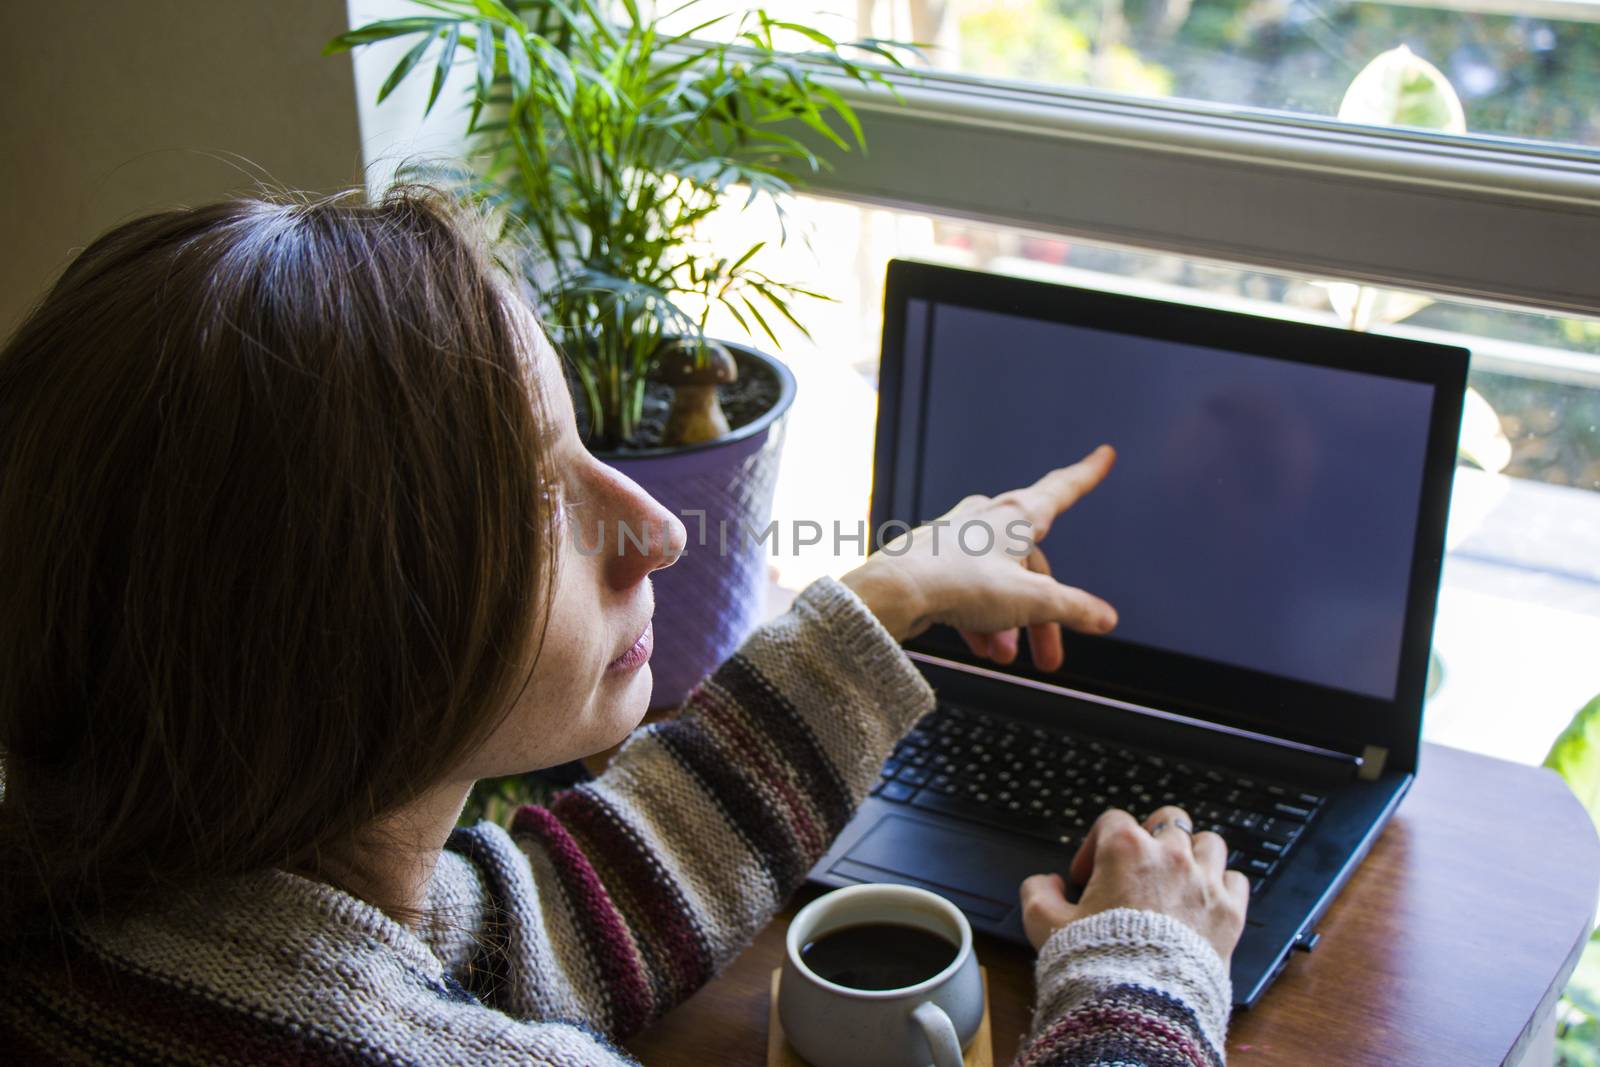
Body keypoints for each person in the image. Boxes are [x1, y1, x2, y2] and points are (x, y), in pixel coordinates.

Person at [0, 185, 1246, 1065]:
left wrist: (886, 598)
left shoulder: (117, 900)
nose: (658, 528)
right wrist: (1140, 970)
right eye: (544, 495)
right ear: (336, 622)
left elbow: (532, 924)